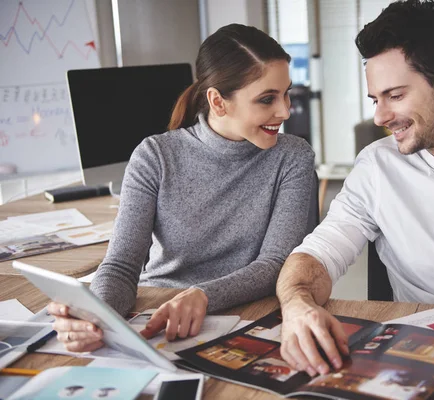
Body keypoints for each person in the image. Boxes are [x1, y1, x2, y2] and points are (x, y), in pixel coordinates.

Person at [48, 24, 315, 353]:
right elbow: (121, 266)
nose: (285, 111)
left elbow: (273, 263)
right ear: (218, 102)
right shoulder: (154, 156)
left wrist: (203, 295)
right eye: (267, 99)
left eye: (286, 92)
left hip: (247, 317)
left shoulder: (293, 157)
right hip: (155, 316)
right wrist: (96, 316)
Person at [276, 0, 434, 377]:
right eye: (375, 99)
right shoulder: (377, 167)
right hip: (426, 360)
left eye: (395, 96)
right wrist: (298, 304)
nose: (380, 117)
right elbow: (316, 255)